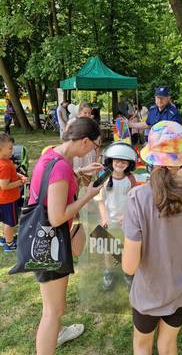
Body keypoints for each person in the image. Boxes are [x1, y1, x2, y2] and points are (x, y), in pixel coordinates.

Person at [122, 121, 182, 355]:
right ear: (181, 158)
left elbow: (129, 267)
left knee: (142, 345)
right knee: (169, 343)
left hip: (149, 291)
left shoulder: (137, 198)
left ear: (150, 158)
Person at [28, 117, 103, 354]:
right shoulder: (61, 166)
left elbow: (52, 187)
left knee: (52, 308)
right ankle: (50, 338)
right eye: (95, 145)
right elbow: (57, 217)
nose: (94, 150)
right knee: (53, 311)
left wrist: (79, 173)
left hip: (41, 240)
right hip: (48, 245)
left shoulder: (53, 155)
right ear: (83, 141)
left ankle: (56, 333)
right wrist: (88, 195)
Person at [95, 142, 137, 291]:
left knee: (127, 247)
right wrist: (104, 217)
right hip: (110, 220)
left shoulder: (130, 179)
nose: (120, 163)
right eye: (116, 160)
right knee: (109, 247)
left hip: (126, 220)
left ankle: (128, 271)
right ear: (110, 161)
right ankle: (109, 271)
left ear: (130, 163)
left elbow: (134, 201)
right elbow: (100, 200)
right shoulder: (105, 178)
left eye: (124, 161)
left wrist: (128, 217)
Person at [0, 134, 27, 252]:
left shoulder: (5, 161)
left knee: (3, 220)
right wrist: (20, 182)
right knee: (9, 223)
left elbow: (7, 178)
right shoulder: (5, 165)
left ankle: (4, 238)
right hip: (7, 199)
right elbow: (4, 185)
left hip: (3, 199)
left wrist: (18, 175)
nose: (13, 150)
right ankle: (9, 244)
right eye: (10, 148)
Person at [67, 102, 98, 185]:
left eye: (89, 113)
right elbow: (66, 138)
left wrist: (97, 157)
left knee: (87, 182)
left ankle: (87, 196)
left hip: (89, 154)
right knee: (75, 183)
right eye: (85, 113)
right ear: (80, 112)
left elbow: (97, 143)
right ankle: (75, 197)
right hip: (76, 156)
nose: (87, 115)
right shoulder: (72, 122)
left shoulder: (92, 124)